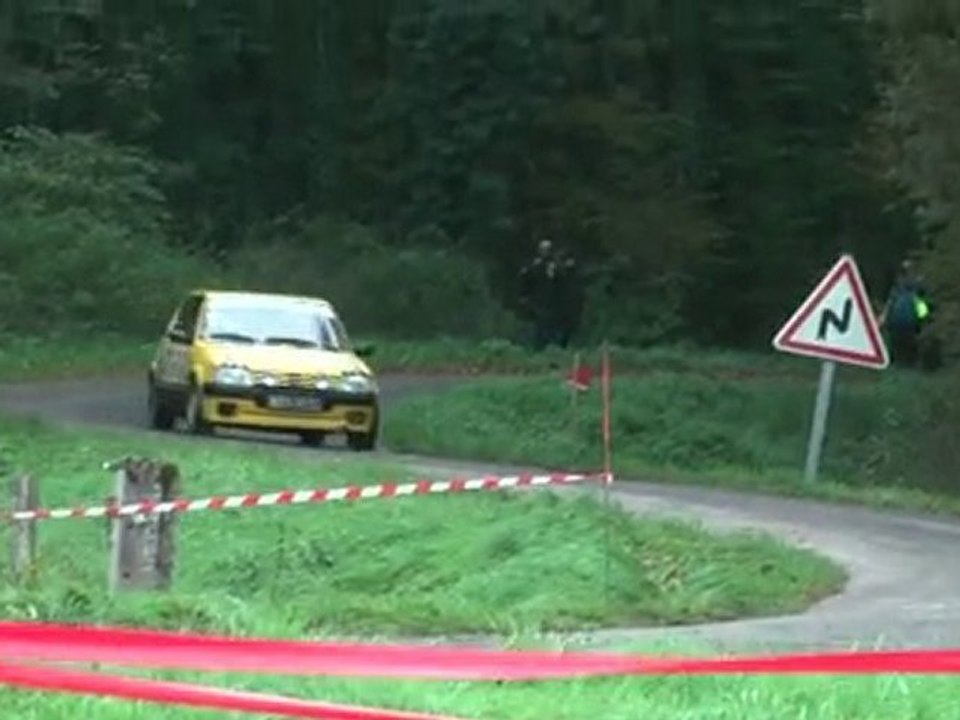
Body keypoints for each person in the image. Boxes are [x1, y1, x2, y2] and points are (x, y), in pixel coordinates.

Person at [518, 238, 578, 349]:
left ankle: (554, 348)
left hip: (554, 301)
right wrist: (524, 295)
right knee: (540, 326)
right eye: (543, 249)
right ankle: (539, 348)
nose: (545, 252)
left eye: (547, 249)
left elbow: (564, 282)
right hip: (538, 300)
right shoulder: (535, 265)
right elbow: (526, 279)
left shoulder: (556, 265)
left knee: (554, 325)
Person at [880, 259, 933, 369]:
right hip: (910, 321)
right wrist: (925, 318)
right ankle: (910, 363)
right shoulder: (917, 285)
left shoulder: (898, 287)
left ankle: (895, 363)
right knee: (910, 344)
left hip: (896, 321)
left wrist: (883, 319)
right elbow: (920, 303)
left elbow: (890, 302)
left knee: (896, 344)